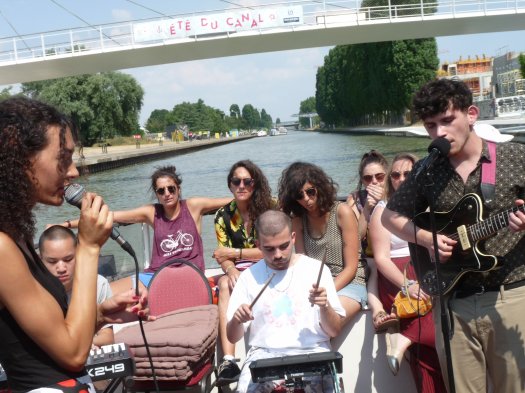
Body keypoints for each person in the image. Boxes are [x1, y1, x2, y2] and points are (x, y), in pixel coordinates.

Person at [381, 78, 525, 392]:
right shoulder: (427, 170)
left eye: (447, 121)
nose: (440, 133)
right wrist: (424, 239)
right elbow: (389, 216)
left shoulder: (514, 158)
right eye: (431, 126)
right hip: (453, 302)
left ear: (471, 114)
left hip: (510, 294)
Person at [0, 97, 149, 393]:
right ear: (21, 157)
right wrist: (89, 246)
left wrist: (101, 313)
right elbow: (72, 353)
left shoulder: (16, 233)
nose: (73, 173)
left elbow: (44, 334)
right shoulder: (2, 246)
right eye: (63, 158)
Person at [226, 210, 345, 393]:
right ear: (258, 245)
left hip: (313, 352)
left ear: (293, 238)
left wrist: (325, 306)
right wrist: (236, 320)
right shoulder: (248, 277)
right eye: (269, 249)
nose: (278, 254)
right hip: (264, 356)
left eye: (283, 246)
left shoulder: (315, 269)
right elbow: (232, 337)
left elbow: (334, 330)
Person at [63, 165, 231, 292]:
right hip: (157, 275)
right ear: (157, 194)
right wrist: (66, 224)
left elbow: (230, 201)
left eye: (171, 188)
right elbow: (108, 215)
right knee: (103, 292)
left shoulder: (193, 206)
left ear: (178, 190)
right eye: (161, 190)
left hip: (189, 275)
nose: (167, 193)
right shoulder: (152, 213)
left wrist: (253, 195)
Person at [369, 153, 446, 392]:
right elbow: (381, 258)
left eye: (408, 174)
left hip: (427, 272)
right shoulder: (383, 210)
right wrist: (408, 285)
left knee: (439, 340)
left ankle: (405, 339)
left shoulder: (431, 205)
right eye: (395, 175)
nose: (401, 179)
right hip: (398, 277)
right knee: (431, 332)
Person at [278, 162, 367, 328]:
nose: (306, 199)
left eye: (310, 192)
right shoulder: (298, 219)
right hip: (315, 284)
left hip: (350, 282)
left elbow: (351, 268)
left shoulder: (342, 212)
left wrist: (326, 292)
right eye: (299, 195)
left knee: (323, 323)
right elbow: (302, 263)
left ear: (319, 187)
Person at [212, 160, 274, 385]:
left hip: (268, 266)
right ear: (230, 185)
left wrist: (235, 252)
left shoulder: (269, 210)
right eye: (236, 181)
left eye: (247, 181)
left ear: (255, 184)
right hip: (238, 270)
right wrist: (229, 268)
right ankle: (229, 361)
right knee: (224, 284)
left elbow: (273, 250)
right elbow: (222, 255)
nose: (242, 185)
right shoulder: (223, 215)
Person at [347, 150, 398, 332]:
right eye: (368, 179)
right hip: (370, 257)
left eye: (379, 176)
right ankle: (378, 313)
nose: (374, 182)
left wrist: (384, 200)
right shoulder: (355, 200)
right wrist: (367, 209)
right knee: (376, 266)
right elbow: (356, 237)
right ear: (362, 181)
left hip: (396, 253)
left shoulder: (397, 194)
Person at [39, 225, 114, 349]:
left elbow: (107, 338)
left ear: (79, 254)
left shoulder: (98, 284)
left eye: (68, 259)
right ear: (40, 260)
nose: (61, 268)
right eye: (52, 262)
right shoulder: (33, 291)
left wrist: (82, 347)